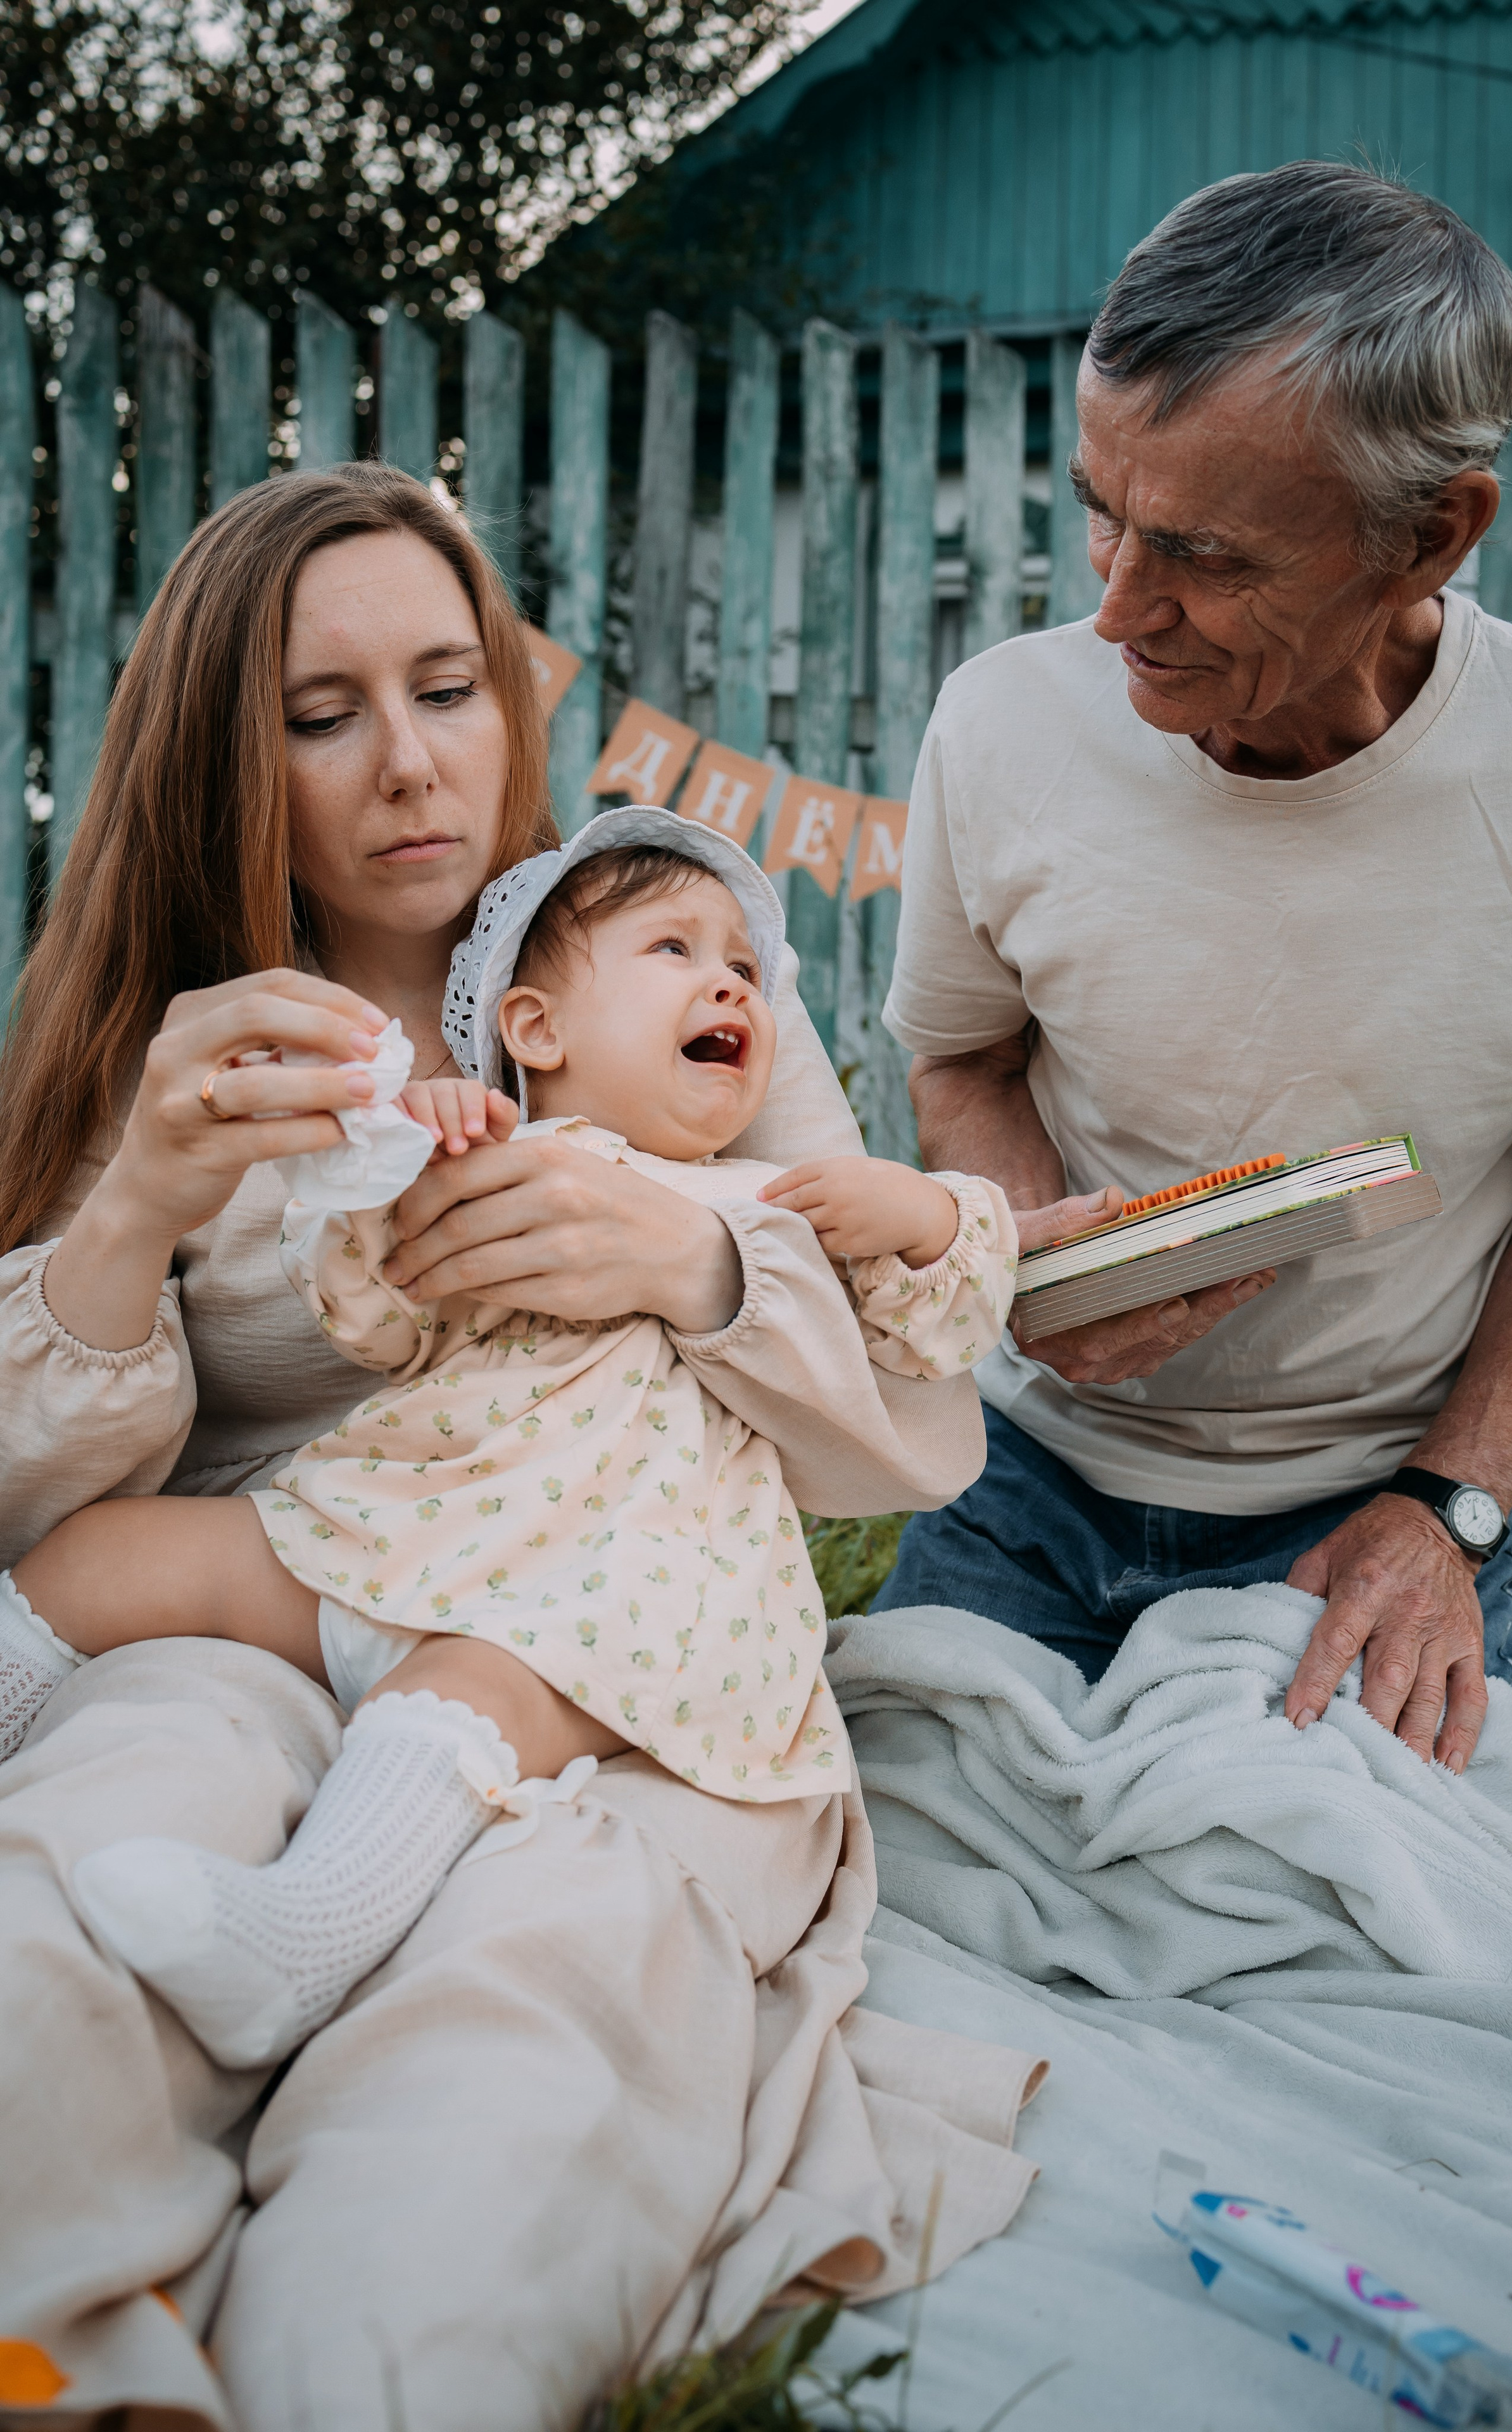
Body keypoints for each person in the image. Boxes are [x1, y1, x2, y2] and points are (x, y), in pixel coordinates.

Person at [0, 465, 1016, 2431]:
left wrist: (701, 1262)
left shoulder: (670, 949)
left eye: (452, 688)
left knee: (519, 2022)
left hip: (621, 1664)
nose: (409, 767)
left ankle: (351, 2382)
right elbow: (49, 1515)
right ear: (228, 756)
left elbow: (907, 1438)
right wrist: (132, 1213)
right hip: (270, 1600)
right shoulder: (179, 1026)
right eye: (322, 715)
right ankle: (55, 2355)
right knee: (76, 1885)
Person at [2, 814, 1013, 2070]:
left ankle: (293, 1942)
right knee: (115, 1550)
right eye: (673, 949)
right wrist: (395, 1165)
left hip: (592, 1609)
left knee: (458, 1692)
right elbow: (364, 1314)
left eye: (743, 970)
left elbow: (938, 1327)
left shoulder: (765, 1204)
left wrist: (918, 1211)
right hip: (395, 1532)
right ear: (536, 1030)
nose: (727, 980)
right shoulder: (483, 1163)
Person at [876, 160, 1512, 1778]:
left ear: (1429, 535)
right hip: (1024, 1480)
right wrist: (1028, 1257)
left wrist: (1447, 1506)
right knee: (866, 1903)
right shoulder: (1001, 723)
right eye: (1099, 512)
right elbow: (963, 1061)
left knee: (1392, 1959)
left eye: (1203, 557)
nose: (1117, 608)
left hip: (1378, 1503)